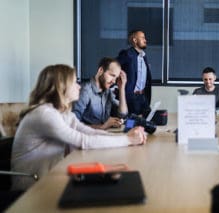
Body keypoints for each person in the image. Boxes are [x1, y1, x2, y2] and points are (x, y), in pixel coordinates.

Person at [11, 64, 147, 191]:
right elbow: (83, 141)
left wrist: (126, 137)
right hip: (31, 189)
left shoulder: (63, 114)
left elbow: (91, 132)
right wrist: (128, 140)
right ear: (61, 86)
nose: (79, 86)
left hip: (48, 179)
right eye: (75, 82)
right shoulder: (44, 114)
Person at [72, 57, 127, 130]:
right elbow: (73, 124)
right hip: (87, 138)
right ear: (101, 70)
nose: (114, 81)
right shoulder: (85, 91)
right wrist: (103, 126)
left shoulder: (108, 92)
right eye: (112, 75)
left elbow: (122, 114)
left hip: (102, 136)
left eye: (116, 78)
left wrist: (122, 88)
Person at [116, 30, 152, 116]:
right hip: (131, 97)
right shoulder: (127, 54)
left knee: (147, 122)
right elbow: (113, 66)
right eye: (142, 38)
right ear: (135, 40)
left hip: (143, 96)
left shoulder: (144, 56)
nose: (145, 40)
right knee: (130, 123)